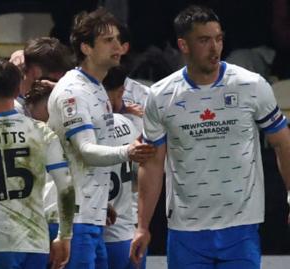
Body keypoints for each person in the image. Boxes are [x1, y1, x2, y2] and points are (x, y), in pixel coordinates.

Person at [130, 5, 290, 269]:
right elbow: (153, 163)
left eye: (218, 38)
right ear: (183, 45)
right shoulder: (160, 96)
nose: (215, 48)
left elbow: (282, 142)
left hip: (241, 229)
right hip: (186, 231)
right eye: (204, 40)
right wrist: (142, 226)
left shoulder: (251, 85)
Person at [47, 8, 156, 269]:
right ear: (85, 47)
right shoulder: (73, 92)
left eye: (118, 39)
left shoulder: (96, 88)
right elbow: (85, 150)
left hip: (92, 215)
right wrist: (128, 152)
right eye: (108, 41)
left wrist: (101, 202)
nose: (118, 47)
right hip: (72, 220)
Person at [0, 60, 75, 269]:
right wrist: (64, 235)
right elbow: (65, 186)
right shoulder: (41, 131)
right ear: (18, 88)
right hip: (35, 242)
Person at [102, 66, 146, 269]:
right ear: (120, 90)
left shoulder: (86, 128)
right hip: (131, 231)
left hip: (102, 234)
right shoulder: (130, 124)